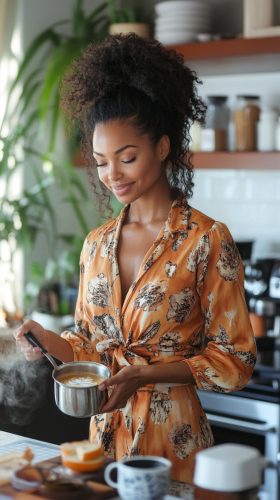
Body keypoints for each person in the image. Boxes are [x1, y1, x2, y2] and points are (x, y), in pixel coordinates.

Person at [14, 34, 256, 483]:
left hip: (174, 446)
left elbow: (236, 361)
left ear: (163, 148)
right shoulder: (96, 244)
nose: (113, 176)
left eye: (127, 157)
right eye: (102, 161)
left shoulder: (206, 240)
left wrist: (145, 375)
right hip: (102, 446)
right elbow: (88, 349)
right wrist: (46, 338)